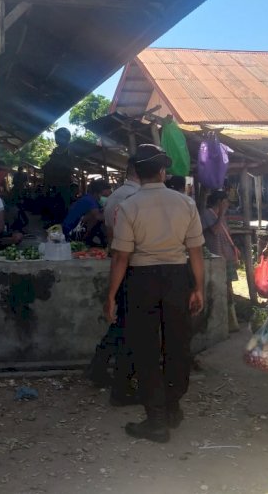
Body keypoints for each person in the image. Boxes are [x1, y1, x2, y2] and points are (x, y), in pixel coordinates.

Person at [105, 144, 205, 443]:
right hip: (177, 277)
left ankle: (156, 419)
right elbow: (196, 251)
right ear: (163, 171)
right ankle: (173, 406)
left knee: (146, 348)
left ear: (136, 172)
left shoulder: (130, 206)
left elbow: (121, 257)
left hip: (141, 280)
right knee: (178, 344)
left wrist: (110, 295)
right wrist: (198, 287)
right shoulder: (185, 203)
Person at [87, 157, 139, 393]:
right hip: (136, 265)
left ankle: (101, 366)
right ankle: (118, 375)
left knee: (124, 320)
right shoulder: (138, 198)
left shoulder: (114, 197)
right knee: (129, 323)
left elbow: (110, 235)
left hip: (120, 262)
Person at [201, 190, 241, 332]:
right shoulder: (206, 214)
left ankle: (231, 319)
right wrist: (221, 214)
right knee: (219, 287)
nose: (228, 204)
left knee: (228, 286)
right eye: (226, 201)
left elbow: (226, 233)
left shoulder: (222, 216)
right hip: (216, 255)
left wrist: (234, 247)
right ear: (219, 202)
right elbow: (215, 231)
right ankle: (224, 319)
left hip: (226, 254)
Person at [62, 179, 112, 247]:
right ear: (101, 191)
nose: (111, 192)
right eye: (109, 190)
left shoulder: (92, 199)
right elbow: (98, 217)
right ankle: (84, 240)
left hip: (74, 228)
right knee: (96, 217)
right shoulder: (89, 200)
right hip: (71, 231)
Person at [42, 127, 74, 224]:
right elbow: (50, 164)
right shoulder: (55, 151)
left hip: (63, 184)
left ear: (66, 138)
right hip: (53, 183)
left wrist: (53, 167)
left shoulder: (70, 151)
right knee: (52, 205)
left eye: (58, 137)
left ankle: (62, 226)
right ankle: (54, 223)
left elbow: (68, 167)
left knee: (63, 207)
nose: (56, 139)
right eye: (56, 137)